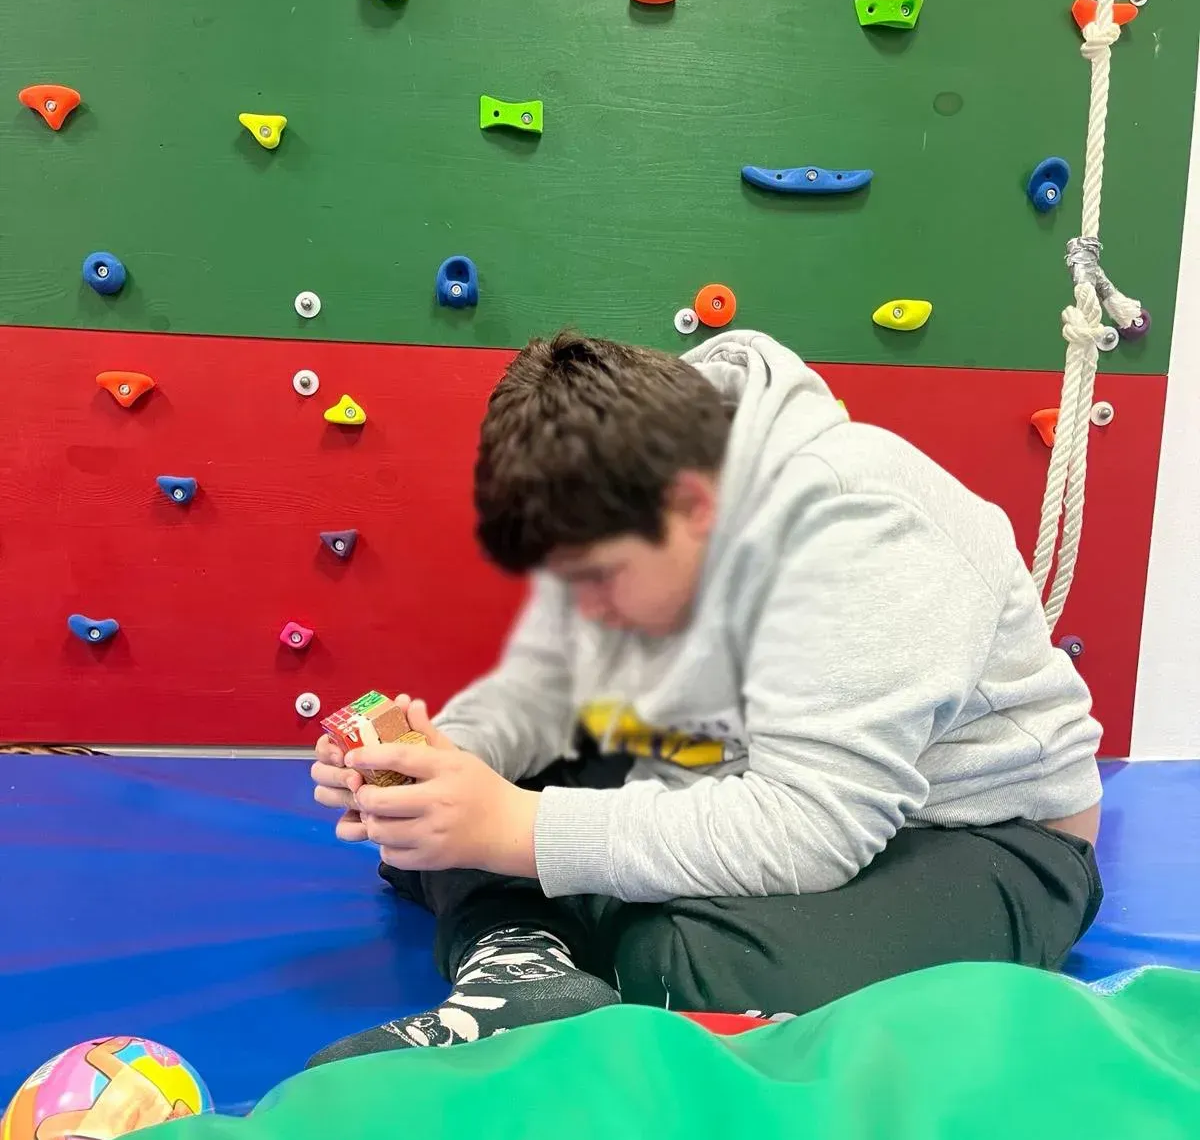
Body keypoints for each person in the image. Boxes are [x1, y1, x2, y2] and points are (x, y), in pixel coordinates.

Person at [307, 330, 1103, 1064]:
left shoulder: (865, 527)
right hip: (740, 772)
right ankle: (529, 972)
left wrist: (515, 829)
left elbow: (813, 828)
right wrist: (441, 760)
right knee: (438, 823)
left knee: (692, 967)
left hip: (980, 835)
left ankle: (534, 933)